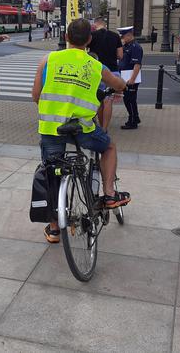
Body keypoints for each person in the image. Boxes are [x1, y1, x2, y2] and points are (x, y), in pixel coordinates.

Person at [32, 18, 129, 243]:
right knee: (109, 147)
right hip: (82, 129)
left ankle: (55, 229)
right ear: (89, 40)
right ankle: (109, 194)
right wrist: (123, 86)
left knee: (52, 174)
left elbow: (35, 96)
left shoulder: (48, 60)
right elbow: (118, 84)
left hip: (51, 128)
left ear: (66, 37)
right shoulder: (95, 65)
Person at [87, 19, 123, 131]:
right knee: (108, 101)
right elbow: (120, 56)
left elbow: (87, 53)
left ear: (95, 25)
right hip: (112, 72)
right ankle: (105, 128)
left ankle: (99, 127)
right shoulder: (115, 36)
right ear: (105, 25)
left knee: (99, 101)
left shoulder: (92, 36)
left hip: (97, 72)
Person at [118, 26, 143, 129]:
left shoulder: (135, 47)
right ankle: (135, 117)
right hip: (125, 77)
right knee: (127, 99)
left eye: (123, 37)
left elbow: (137, 64)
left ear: (129, 35)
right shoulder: (126, 46)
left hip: (130, 78)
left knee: (130, 99)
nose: (122, 39)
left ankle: (133, 121)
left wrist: (132, 79)